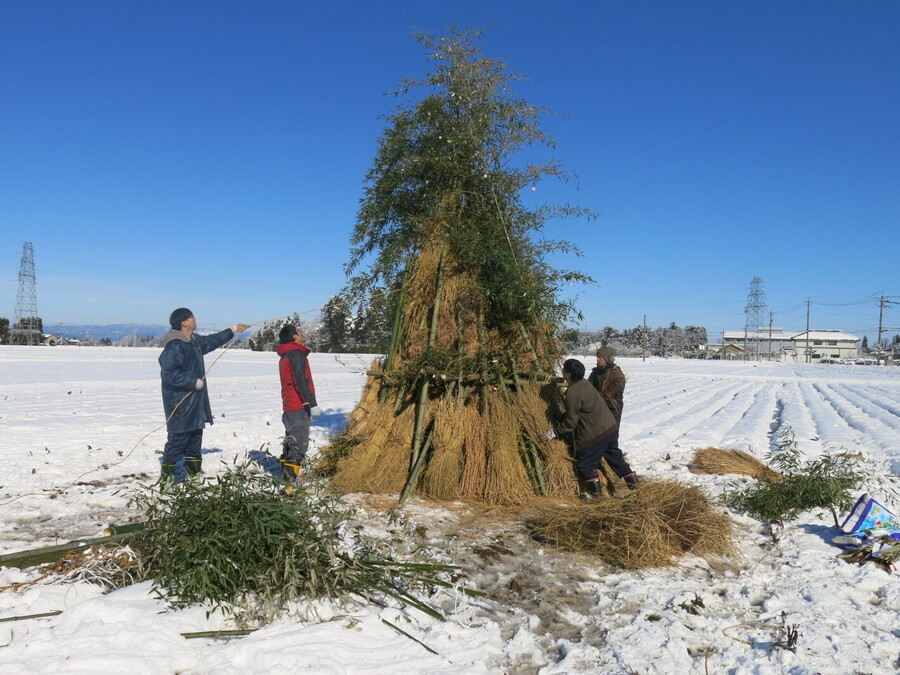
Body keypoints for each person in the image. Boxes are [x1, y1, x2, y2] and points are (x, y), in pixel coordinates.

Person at [158, 308, 249, 484]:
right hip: (180, 402)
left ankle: (194, 476)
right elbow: (169, 374)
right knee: (178, 440)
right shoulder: (175, 345)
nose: (195, 319)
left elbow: (212, 340)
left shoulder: (194, 341)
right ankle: (166, 481)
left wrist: (232, 330)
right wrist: (193, 382)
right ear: (183, 322)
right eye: (192, 317)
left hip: (195, 401)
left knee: (194, 439)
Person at [556, 358, 639, 499]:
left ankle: (595, 496)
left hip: (596, 434)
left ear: (568, 374)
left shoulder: (572, 392)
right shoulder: (585, 384)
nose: (562, 371)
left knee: (585, 465)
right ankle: (636, 486)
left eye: (564, 370)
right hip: (610, 428)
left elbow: (571, 422)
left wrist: (555, 431)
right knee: (615, 458)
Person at [276, 323, 321, 483]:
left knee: (290, 442)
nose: (302, 334)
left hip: (289, 405)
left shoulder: (285, 355)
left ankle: (283, 479)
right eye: (299, 332)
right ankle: (288, 486)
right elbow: (301, 382)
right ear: (294, 336)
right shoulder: (295, 354)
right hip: (298, 406)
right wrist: (312, 403)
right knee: (299, 445)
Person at [588, 346, 637, 488]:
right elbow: (589, 389)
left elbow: (610, 397)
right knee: (603, 447)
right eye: (596, 357)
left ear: (608, 358)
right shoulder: (595, 373)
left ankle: (630, 480)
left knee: (609, 447)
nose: (597, 359)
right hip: (596, 413)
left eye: (600, 357)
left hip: (611, 413)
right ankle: (629, 480)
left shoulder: (617, 375)